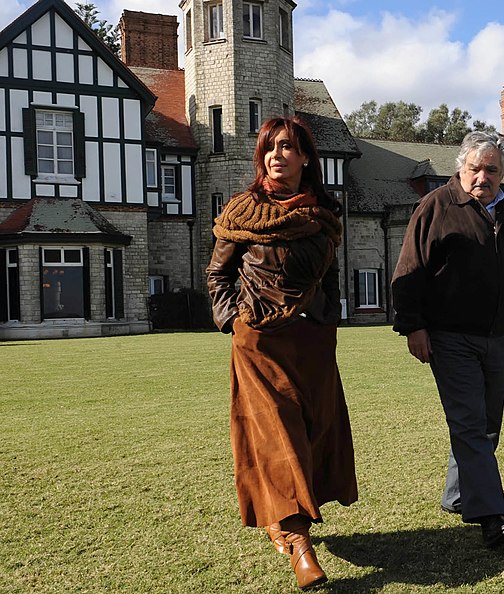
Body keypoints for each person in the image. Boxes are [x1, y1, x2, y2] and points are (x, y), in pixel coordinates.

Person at [207, 116, 357, 590]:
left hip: (312, 342)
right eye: (269, 148)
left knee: (312, 431)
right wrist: (236, 320)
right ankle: (298, 545)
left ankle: (282, 518)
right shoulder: (243, 212)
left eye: (287, 147)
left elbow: (331, 276)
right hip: (259, 342)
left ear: (306, 157)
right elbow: (218, 275)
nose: (276, 156)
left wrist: (326, 315)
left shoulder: (323, 215)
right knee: (277, 435)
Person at [391, 130, 504, 548]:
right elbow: (409, 269)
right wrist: (414, 326)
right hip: (450, 337)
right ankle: (490, 517)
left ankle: (458, 495)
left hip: (498, 337)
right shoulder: (437, 207)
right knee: (470, 425)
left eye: (492, 170)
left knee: (487, 424)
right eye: (474, 168)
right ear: (460, 168)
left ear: (503, 174)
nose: (482, 177)